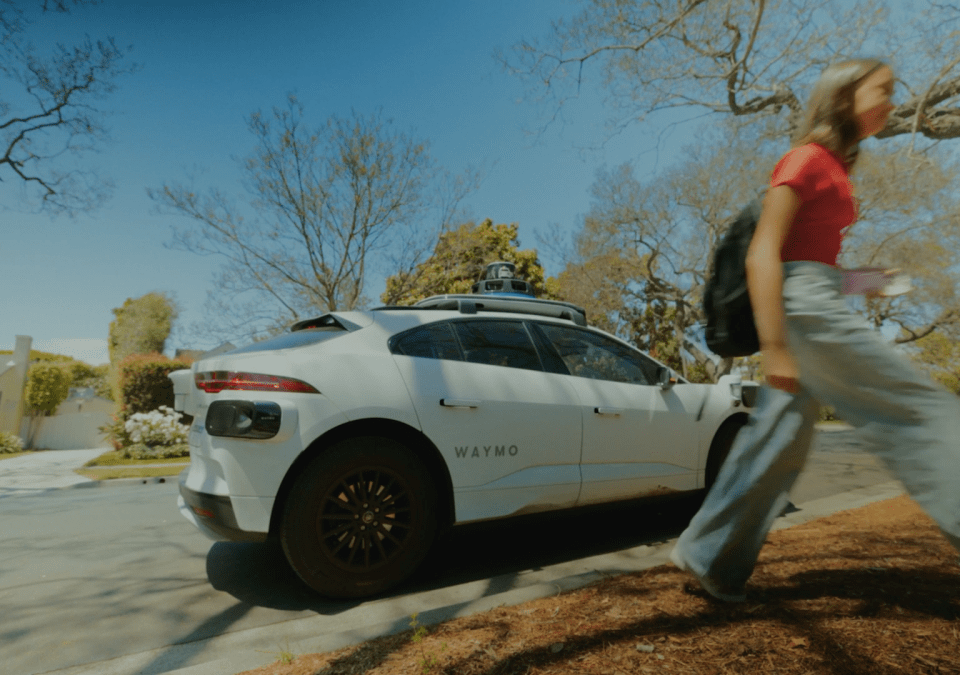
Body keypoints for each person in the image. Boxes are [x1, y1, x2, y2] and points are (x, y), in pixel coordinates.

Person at [670, 58, 960, 602]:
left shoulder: (836, 168)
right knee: (916, 405)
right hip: (803, 313)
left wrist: (868, 279)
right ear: (844, 94)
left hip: (814, 300)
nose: (893, 101)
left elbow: (815, 264)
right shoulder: (803, 159)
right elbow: (765, 256)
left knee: (777, 443)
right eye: (884, 90)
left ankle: (709, 556)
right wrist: (776, 346)